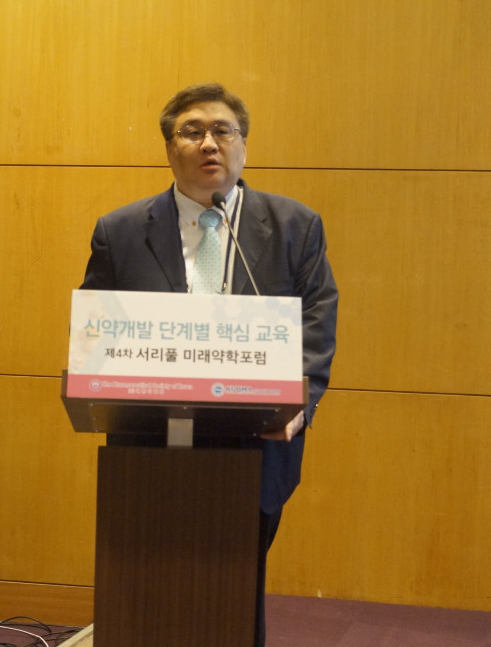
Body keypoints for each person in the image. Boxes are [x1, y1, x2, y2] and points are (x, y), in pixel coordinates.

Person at [80, 82, 338, 646]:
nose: (209, 143)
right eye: (192, 131)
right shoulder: (119, 231)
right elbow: (97, 328)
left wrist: (301, 403)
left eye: (223, 130)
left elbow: (317, 318)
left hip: (256, 438)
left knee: (234, 581)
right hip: (148, 438)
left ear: (243, 144)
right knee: (144, 578)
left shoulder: (295, 225)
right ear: (169, 148)